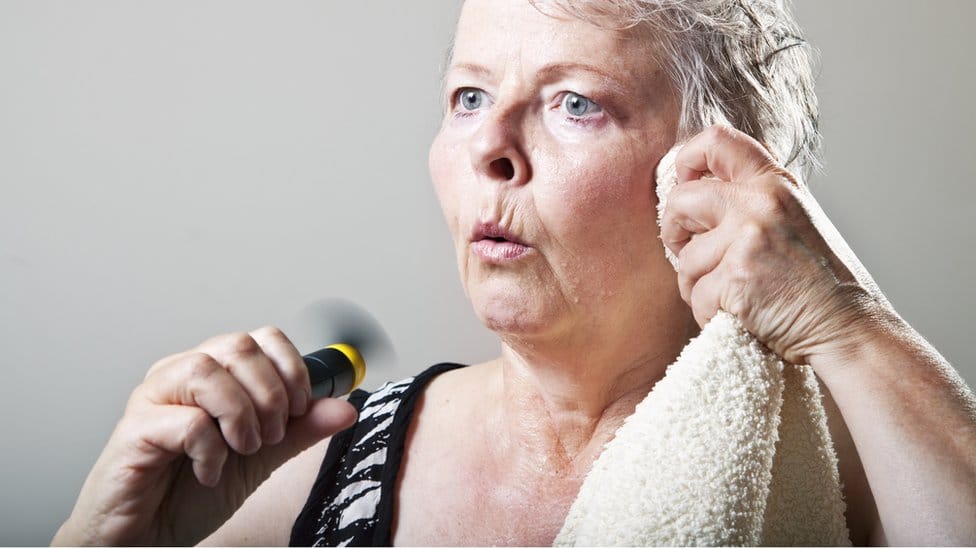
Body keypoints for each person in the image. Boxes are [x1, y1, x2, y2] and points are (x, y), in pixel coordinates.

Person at [52, 0, 976, 546]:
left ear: (723, 177)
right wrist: (108, 535)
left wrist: (847, 321)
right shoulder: (316, 468)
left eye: (575, 103)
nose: (489, 145)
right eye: (469, 95)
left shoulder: (848, 475)